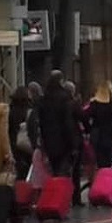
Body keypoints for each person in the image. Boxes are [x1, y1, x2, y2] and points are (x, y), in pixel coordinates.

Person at [37, 72, 83, 205]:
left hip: (50, 142)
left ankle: (56, 200)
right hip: (65, 142)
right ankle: (67, 200)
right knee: (68, 172)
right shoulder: (65, 98)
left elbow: (41, 123)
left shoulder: (44, 99)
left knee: (56, 172)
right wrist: (74, 143)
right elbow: (68, 122)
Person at [84, 83, 112, 180]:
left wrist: (89, 129)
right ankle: (111, 184)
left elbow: (84, 116)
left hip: (98, 137)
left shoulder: (94, 104)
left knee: (101, 164)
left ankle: (103, 182)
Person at [9, 80, 35, 180]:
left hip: (14, 145)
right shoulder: (29, 111)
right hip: (26, 146)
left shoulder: (10, 111)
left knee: (17, 174)